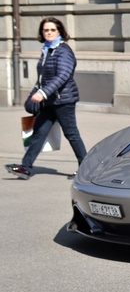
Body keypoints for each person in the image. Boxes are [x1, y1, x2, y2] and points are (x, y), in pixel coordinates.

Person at [5, 17, 87, 180]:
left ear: (59, 32)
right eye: (45, 30)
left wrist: (42, 93)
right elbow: (43, 77)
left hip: (63, 100)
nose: (48, 33)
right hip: (49, 101)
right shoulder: (47, 49)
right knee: (39, 133)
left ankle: (86, 169)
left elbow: (63, 75)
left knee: (71, 133)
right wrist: (34, 92)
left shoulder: (63, 50)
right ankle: (25, 167)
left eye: (52, 30)